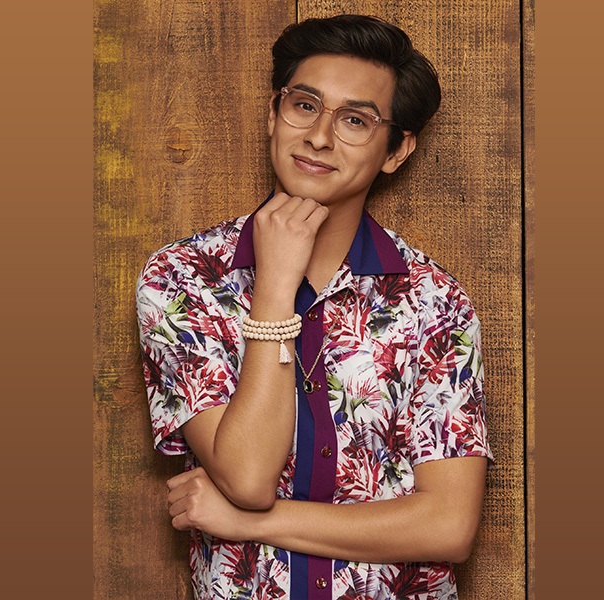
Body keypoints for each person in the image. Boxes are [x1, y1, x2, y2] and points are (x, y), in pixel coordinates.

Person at [137, 14, 492, 600]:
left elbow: (449, 527)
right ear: (275, 113)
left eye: (355, 120)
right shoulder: (183, 281)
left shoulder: (436, 304)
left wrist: (252, 525)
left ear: (396, 150)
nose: (320, 137)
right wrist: (274, 285)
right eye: (304, 105)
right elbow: (247, 477)